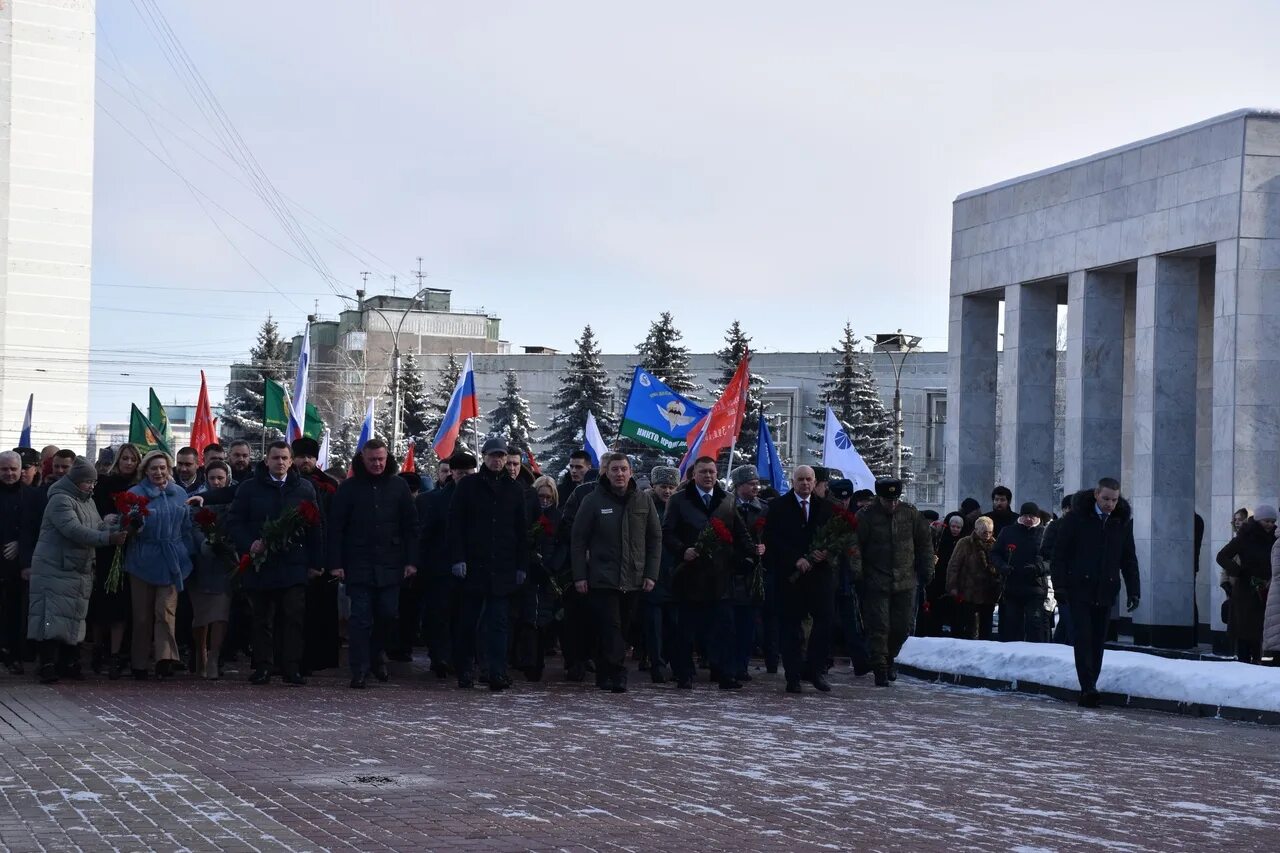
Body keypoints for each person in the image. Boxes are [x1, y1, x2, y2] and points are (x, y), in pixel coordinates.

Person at [230, 441, 322, 686]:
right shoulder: (249, 488)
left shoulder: (305, 488)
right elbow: (235, 521)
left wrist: (316, 561)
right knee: (262, 618)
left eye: (284, 458)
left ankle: (291, 667)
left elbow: (315, 526)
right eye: (275, 458)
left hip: (293, 563)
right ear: (266, 460)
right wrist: (249, 543)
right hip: (261, 563)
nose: (280, 462)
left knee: (293, 617)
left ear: (291, 461)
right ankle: (263, 666)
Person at [328, 438, 418, 689]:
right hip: (358, 563)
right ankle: (359, 669)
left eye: (381, 459)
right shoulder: (349, 488)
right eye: (372, 460)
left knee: (387, 614)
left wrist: (412, 561)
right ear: (363, 459)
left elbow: (411, 527)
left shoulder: (399, 486)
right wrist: (336, 562)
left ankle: (377, 653)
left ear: (387, 458)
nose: (377, 464)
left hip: (391, 564)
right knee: (360, 618)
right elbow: (336, 528)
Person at [27, 458, 127, 683]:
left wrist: (121, 524)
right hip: (54, 568)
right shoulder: (60, 500)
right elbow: (74, 530)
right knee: (51, 618)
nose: (92, 486)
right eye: (87, 482)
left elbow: (98, 525)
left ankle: (68, 662)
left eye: (93, 482)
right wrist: (108, 539)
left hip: (77, 569)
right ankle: (47, 664)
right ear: (75, 481)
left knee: (72, 618)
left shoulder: (87, 501)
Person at [570, 453, 661, 693]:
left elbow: (654, 539)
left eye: (623, 469)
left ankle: (604, 671)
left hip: (634, 578)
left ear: (630, 471)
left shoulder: (644, 501)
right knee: (611, 626)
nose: (619, 474)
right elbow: (578, 540)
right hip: (602, 577)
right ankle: (617, 674)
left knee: (624, 628)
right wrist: (579, 575)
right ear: (606, 473)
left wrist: (651, 573)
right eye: (614, 470)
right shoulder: (592, 501)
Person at [664, 456, 753, 691]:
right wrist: (683, 550)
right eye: (703, 472)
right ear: (694, 475)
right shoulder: (679, 500)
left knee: (724, 628)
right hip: (689, 575)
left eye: (712, 472)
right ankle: (684, 674)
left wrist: (752, 554)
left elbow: (740, 533)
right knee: (686, 630)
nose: (708, 476)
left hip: (720, 577)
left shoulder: (727, 500)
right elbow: (667, 533)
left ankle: (725, 674)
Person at [446, 436, 527, 691]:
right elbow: (455, 525)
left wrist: (521, 565)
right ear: (484, 457)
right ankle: (465, 669)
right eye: (493, 455)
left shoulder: (514, 489)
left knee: (499, 623)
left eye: (501, 456)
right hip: (473, 566)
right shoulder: (468, 485)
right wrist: (458, 558)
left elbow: (521, 531)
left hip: (502, 566)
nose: (498, 460)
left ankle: (496, 671)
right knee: (468, 622)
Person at [1051, 477, 1140, 708]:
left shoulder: (1120, 522)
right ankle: (1087, 687)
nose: (1110, 503)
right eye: (1106, 498)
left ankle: (1092, 683)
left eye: (1114, 499)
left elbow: (1128, 559)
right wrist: (1059, 586)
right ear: (1096, 495)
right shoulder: (1076, 519)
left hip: (1106, 589)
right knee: (1083, 638)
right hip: (1078, 588)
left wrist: (1134, 590)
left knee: (1098, 640)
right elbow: (1059, 554)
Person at [849, 478, 934, 687]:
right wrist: (857, 572)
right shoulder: (866, 516)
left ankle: (890, 659)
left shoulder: (911, 514)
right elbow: (854, 545)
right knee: (878, 627)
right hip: (875, 581)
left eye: (895, 499)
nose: (892, 504)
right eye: (888, 500)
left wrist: (927, 570)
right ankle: (880, 667)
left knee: (902, 627)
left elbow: (924, 544)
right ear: (880, 498)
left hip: (905, 582)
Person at [124, 450, 197, 680]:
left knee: (165, 612)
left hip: (171, 560)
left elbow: (187, 527)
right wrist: (134, 524)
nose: (159, 472)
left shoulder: (179, 493)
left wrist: (187, 551)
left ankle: (165, 659)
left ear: (169, 469)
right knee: (143, 615)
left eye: (163, 468)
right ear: (145, 470)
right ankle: (139, 662)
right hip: (142, 560)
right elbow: (126, 528)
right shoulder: (134, 494)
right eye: (154, 468)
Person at [763, 465, 834, 693]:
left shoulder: (826, 507)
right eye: (801, 479)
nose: (805, 484)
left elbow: (836, 536)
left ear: (814, 482)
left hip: (819, 576)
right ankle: (793, 676)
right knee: (791, 627)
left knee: (824, 622)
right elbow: (772, 540)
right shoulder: (778, 507)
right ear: (793, 481)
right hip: (790, 578)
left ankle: (815, 670)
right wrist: (795, 559)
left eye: (809, 480)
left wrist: (826, 552)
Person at [418, 450, 474, 678]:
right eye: (460, 473)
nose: (464, 478)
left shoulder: (481, 497)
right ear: (452, 474)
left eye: (469, 473)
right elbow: (426, 535)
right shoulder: (436, 500)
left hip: (472, 567)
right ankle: (440, 656)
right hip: (441, 567)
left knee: (464, 617)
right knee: (440, 615)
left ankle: (461, 659)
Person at [89, 443, 141, 678]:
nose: (129, 463)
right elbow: (94, 513)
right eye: (125, 459)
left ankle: (116, 654)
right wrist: (105, 519)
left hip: (129, 548)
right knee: (101, 602)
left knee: (121, 605)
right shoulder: (104, 484)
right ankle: (97, 650)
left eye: (133, 459)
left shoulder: (139, 487)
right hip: (106, 548)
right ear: (118, 461)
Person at [291, 436, 341, 675]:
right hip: (292, 555)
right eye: (301, 457)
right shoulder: (287, 482)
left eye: (310, 457)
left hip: (321, 556)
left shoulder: (329, 485)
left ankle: (314, 660)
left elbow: (335, 524)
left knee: (317, 612)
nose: (306, 461)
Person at [187, 461, 234, 678]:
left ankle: (214, 656)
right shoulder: (197, 498)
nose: (216, 482)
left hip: (225, 562)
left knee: (220, 613)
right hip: (201, 562)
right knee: (201, 614)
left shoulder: (235, 497)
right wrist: (205, 543)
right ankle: (201, 654)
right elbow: (192, 526)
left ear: (227, 478)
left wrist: (226, 544)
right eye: (212, 478)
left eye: (220, 478)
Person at [1215, 504, 1276, 664]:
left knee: (1261, 632)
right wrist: (1237, 571)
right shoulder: (1244, 537)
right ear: (1258, 520)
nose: (1269, 525)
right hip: (1245, 591)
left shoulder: (1274, 539)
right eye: (1266, 521)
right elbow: (1222, 556)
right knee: (1244, 632)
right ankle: (1243, 666)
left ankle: (1258, 665)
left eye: (1272, 521)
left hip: (1267, 590)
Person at [0, 450, 42, 675]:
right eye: (4, 469)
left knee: (17, 611)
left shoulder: (33, 497)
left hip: (20, 563)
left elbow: (37, 529)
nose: (9, 473)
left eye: (13, 469)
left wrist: (20, 545)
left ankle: (15, 655)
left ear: (21, 470)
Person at [728, 465, 767, 683]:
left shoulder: (763, 508)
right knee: (729, 623)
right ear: (739, 485)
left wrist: (765, 547)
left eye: (756, 483)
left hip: (754, 575)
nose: (755, 487)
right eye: (751, 484)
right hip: (731, 572)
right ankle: (727, 665)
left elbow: (771, 535)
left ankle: (742, 665)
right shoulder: (727, 505)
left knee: (748, 624)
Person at [522, 474, 563, 681]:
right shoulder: (528, 514)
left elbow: (564, 544)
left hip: (549, 573)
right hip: (530, 571)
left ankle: (538, 660)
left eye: (548, 497)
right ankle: (529, 661)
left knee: (544, 619)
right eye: (541, 496)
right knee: (529, 617)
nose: (544, 501)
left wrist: (552, 566)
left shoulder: (559, 517)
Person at [829, 479, 871, 674]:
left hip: (847, 578)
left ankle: (860, 662)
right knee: (827, 620)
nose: (843, 502)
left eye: (847, 498)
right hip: (829, 576)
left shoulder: (856, 517)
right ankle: (825, 660)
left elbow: (855, 549)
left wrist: (857, 574)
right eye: (839, 498)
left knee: (852, 622)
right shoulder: (825, 513)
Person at [991, 502, 1049, 642]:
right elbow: (995, 554)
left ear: (1037, 517)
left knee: (1034, 625)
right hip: (1012, 586)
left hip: (1035, 587)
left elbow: (1053, 559)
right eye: (1025, 516)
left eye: (1032, 516)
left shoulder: (1045, 533)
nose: (1028, 519)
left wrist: (1039, 568)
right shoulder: (1008, 531)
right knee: (1011, 626)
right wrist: (1002, 566)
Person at [947, 516, 1000, 640]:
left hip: (988, 593)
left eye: (990, 532)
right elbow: (954, 566)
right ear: (976, 530)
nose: (987, 535)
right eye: (984, 532)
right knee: (970, 627)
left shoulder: (995, 544)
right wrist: (952, 586)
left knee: (986, 628)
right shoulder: (965, 543)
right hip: (968, 592)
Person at [923, 512, 965, 637]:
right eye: (953, 526)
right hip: (938, 581)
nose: (955, 529)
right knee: (936, 612)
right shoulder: (940, 540)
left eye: (958, 527)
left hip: (955, 583)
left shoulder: (963, 543)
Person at [1040, 494, 1074, 644]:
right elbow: (1045, 550)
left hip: (1078, 579)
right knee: (1069, 617)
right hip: (1061, 579)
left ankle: (1058, 645)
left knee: (1067, 620)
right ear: (1065, 509)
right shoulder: (1055, 526)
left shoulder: (1083, 526)